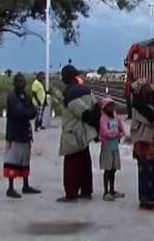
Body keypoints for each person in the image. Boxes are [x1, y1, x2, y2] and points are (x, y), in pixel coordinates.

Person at [57, 64, 98, 203]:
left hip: (72, 133)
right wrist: (96, 127)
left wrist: (91, 119)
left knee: (71, 165)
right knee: (85, 162)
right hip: (85, 133)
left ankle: (71, 193)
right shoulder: (86, 90)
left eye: (63, 75)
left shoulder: (70, 94)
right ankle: (86, 190)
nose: (61, 78)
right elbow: (96, 107)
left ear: (68, 77)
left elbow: (83, 112)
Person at [131, 78, 154, 210]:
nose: (150, 89)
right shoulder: (139, 106)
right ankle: (147, 200)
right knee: (146, 172)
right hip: (145, 143)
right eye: (146, 87)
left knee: (153, 170)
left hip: (152, 142)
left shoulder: (147, 104)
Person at [3, 73, 41, 198]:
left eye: (23, 81)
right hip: (14, 133)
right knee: (12, 160)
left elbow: (31, 111)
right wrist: (29, 111)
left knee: (25, 160)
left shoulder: (26, 96)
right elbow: (21, 112)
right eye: (19, 81)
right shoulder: (12, 97)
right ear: (14, 83)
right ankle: (10, 188)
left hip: (25, 132)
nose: (22, 83)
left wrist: (29, 111)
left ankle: (25, 185)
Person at [99, 98, 126, 201]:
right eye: (109, 106)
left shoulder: (115, 116)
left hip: (114, 146)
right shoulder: (103, 118)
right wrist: (115, 133)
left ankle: (112, 190)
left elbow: (122, 129)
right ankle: (106, 192)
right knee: (107, 169)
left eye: (112, 106)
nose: (111, 108)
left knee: (113, 169)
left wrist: (119, 133)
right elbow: (105, 132)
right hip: (107, 147)